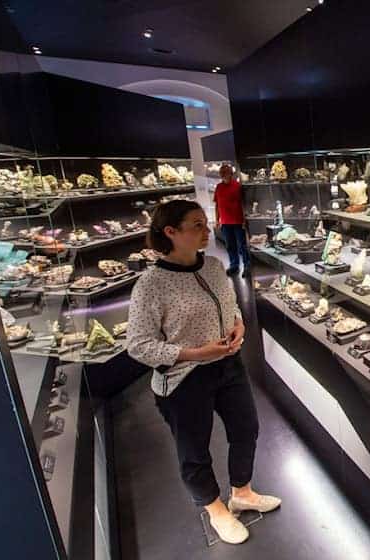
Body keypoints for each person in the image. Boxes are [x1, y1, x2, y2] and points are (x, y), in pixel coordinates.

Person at [127, 200, 279, 545]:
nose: (206, 229)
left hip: (228, 366)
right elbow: (138, 345)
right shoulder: (150, 285)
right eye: (196, 225)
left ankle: (241, 491)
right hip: (184, 379)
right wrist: (196, 353)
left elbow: (228, 304)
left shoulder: (211, 265)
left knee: (246, 429)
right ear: (170, 232)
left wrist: (238, 325)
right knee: (194, 450)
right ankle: (215, 509)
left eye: (204, 223)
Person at [213, 164, 250, 275]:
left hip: (238, 221)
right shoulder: (218, 187)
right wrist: (217, 220)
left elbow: (244, 204)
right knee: (230, 246)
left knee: (242, 245)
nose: (223, 174)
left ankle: (247, 265)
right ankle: (234, 265)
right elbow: (217, 205)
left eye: (226, 171)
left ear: (231, 173)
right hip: (225, 223)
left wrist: (244, 220)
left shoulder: (238, 186)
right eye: (221, 172)